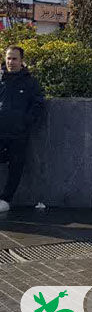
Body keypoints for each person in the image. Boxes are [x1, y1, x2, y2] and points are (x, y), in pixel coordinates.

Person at [0, 46, 45, 213]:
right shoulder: (1, 79)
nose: (11, 62)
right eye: (8, 58)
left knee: (16, 166)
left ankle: (5, 199)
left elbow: (38, 104)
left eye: (14, 59)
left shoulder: (30, 82)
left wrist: (25, 121)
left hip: (18, 133)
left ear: (21, 61)